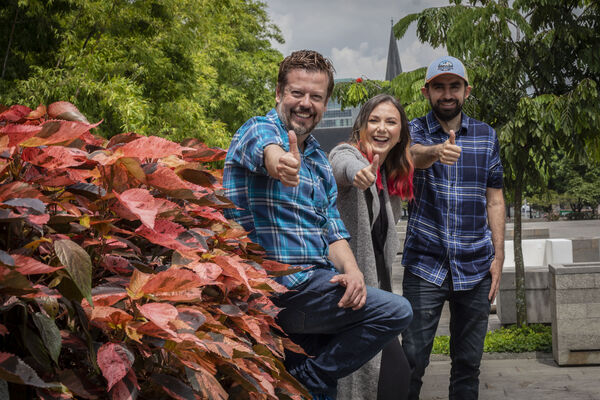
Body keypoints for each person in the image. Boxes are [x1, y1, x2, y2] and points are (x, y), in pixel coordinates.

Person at [223, 50, 413, 399]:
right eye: (297, 93)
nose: (305, 103)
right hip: (278, 289)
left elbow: (333, 228)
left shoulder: (318, 162)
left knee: (321, 390)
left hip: (315, 291)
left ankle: (309, 380)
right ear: (279, 94)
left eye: (316, 97)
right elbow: (266, 149)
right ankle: (309, 379)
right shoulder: (257, 129)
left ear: (325, 103)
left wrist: (354, 270)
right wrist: (280, 163)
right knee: (396, 311)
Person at [401, 55, 505, 400]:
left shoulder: (486, 136)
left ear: (466, 91)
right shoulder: (413, 129)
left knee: (468, 365)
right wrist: (436, 151)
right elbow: (411, 156)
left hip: (475, 266)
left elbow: (495, 200)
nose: (447, 94)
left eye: (454, 86)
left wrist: (499, 256)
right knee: (412, 361)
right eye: (439, 87)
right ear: (426, 92)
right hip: (425, 265)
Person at [329, 94, 414, 400]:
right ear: (361, 126)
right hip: (352, 294)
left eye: (391, 122)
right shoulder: (350, 155)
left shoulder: (387, 176)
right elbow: (340, 162)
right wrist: (356, 172)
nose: (382, 128)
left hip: (377, 294)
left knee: (387, 379)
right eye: (374, 120)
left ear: (400, 131)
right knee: (391, 375)